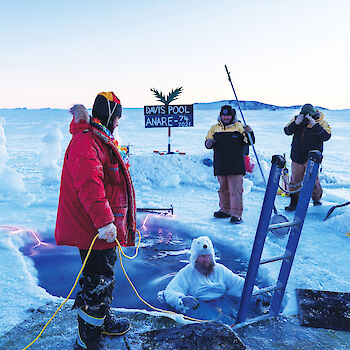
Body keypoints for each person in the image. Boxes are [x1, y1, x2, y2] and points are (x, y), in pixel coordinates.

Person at [55, 92, 137, 350]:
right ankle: (88, 339)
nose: (119, 124)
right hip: (94, 229)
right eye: (118, 118)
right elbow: (90, 187)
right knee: (95, 284)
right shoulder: (86, 142)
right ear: (112, 116)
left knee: (105, 277)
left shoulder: (101, 140)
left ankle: (103, 321)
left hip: (103, 229)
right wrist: (104, 223)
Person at [162, 236, 270, 314]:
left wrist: (256, 292)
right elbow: (169, 292)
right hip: (199, 309)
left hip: (223, 305)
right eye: (202, 256)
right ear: (195, 257)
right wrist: (181, 299)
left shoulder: (220, 270)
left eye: (208, 255)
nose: (206, 260)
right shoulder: (187, 273)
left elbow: (239, 284)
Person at [205, 105, 255, 224]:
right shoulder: (215, 128)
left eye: (228, 115)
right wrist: (209, 143)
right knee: (223, 190)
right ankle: (225, 211)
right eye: (224, 115)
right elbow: (207, 142)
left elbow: (250, 142)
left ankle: (236, 214)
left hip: (236, 165)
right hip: (221, 164)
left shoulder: (239, 127)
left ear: (232, 116)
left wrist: (250, 132)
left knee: (235, 191)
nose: (226, 117)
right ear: (221, 115)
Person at [284, 103, 331, 211]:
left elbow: (326, 136)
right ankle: (294, 203)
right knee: (295, 180)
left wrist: (314, 124)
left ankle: (316, 200)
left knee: (313, 180)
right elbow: (287, 131)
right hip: (297, 156)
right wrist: (296, 123)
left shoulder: (321, 122)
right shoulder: (296, 120)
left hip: (313, 158)